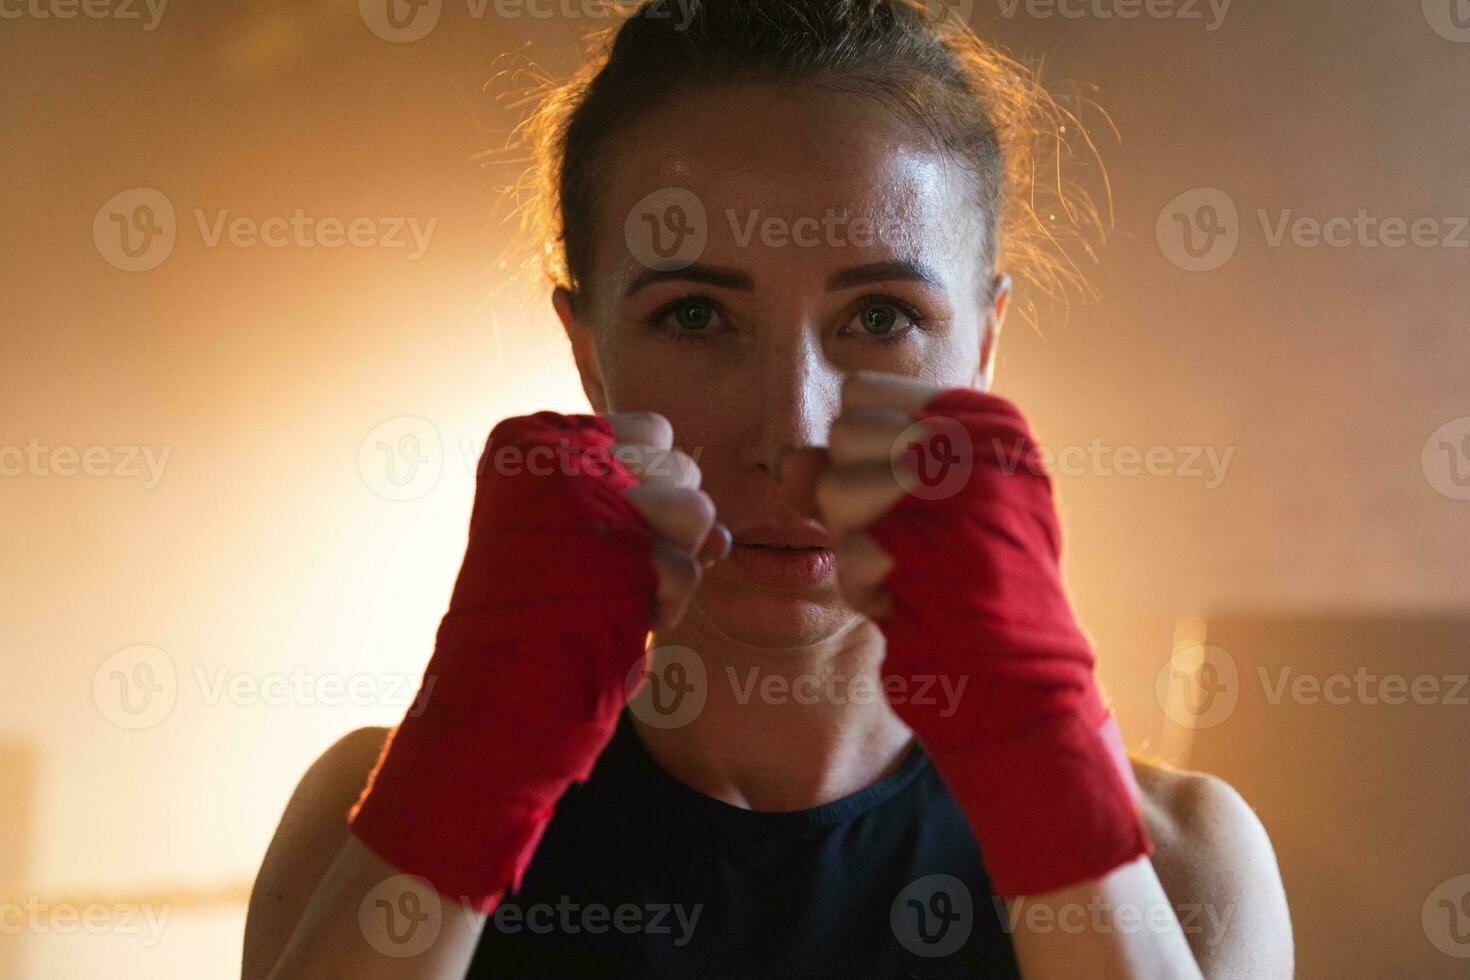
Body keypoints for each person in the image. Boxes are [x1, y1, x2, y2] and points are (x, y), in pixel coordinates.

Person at [243, 1, 1293, 976]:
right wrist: (457, 793)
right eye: (696, 315)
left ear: (981, 348)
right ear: (591, 357)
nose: (791, 428)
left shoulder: (1184, 863)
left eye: (881, 315)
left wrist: (1053, 795)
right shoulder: (369, 822)